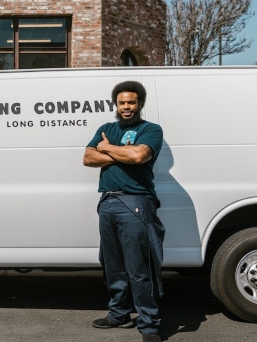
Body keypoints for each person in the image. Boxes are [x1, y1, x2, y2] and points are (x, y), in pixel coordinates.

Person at [83, 81, 165, 342]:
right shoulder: (106, 128)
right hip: (108, 202)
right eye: (121, 102)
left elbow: (139, 156)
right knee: (112, 264)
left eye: (131, 102)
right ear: (116, 105)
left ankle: (149, 324)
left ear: (140, 103)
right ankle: (118, 313)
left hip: (136, 202)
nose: (126, 107)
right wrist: (120, 153)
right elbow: (88, 158)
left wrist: (106, 148)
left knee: (139, 266)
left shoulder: (151, 129)